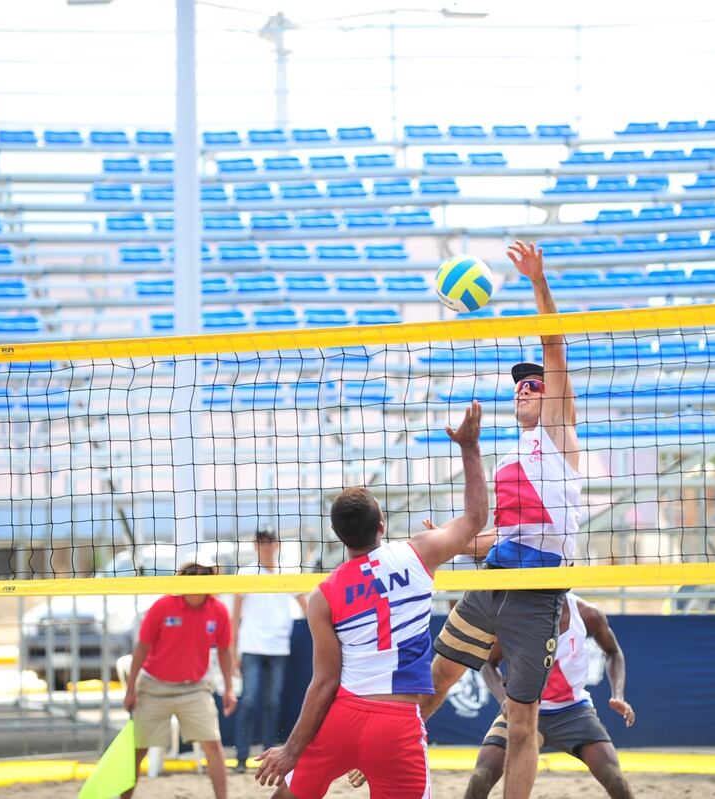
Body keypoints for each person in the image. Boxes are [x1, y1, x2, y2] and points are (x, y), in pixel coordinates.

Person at [255, 401, 488, 799]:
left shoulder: (322, 596)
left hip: (342, 716)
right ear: (382, 525)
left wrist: (291, 751)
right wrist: (468, 447)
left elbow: (324, 682)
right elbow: (476, 518)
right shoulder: (418, 553)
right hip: (396, 722)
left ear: (339, 537)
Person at [424, 240, 581, 799]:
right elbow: (505, 535)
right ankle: (391, 756)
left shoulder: (560, 436)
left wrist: (538, 281)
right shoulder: (514, 457)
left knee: (521, 723)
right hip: (493, 580)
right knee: (432, 683)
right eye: (519, 383)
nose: (525, 386)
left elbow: (554, 344)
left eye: (534, 383)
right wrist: (444, 544)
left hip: (538, 594)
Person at [466, 592, 634, 799]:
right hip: (523, 709)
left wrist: (618, 694)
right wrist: (503, 699)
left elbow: (613, 652)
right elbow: (488, 663)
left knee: (615, 779)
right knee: (480, 779)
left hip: (574, 711)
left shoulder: (588, 614)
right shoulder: (515, 615)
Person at [122, 556, 237, 799]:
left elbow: (225, 650)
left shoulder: (217, 610)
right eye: (193, 572)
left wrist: (228, 688)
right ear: (182, 576)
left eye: (205, 573)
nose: (199, 577)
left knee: (213, 746)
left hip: (194, 689)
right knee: (137, 750)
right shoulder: (163, 606)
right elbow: (141, 648)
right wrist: (131, 688)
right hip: (154, 687)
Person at [233, 527, 308, 774]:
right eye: (261, 543)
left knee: (273, 701)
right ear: (256, 546)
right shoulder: (245, 572)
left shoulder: (288, 571)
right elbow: (235, 616)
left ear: (276, 545)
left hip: (278, 646)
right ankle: (242, 756)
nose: (266, 546)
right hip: (252, 646)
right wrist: (233, 651)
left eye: (270, 542)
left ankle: (268, 752)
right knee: (250, 699)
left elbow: (307, 606)